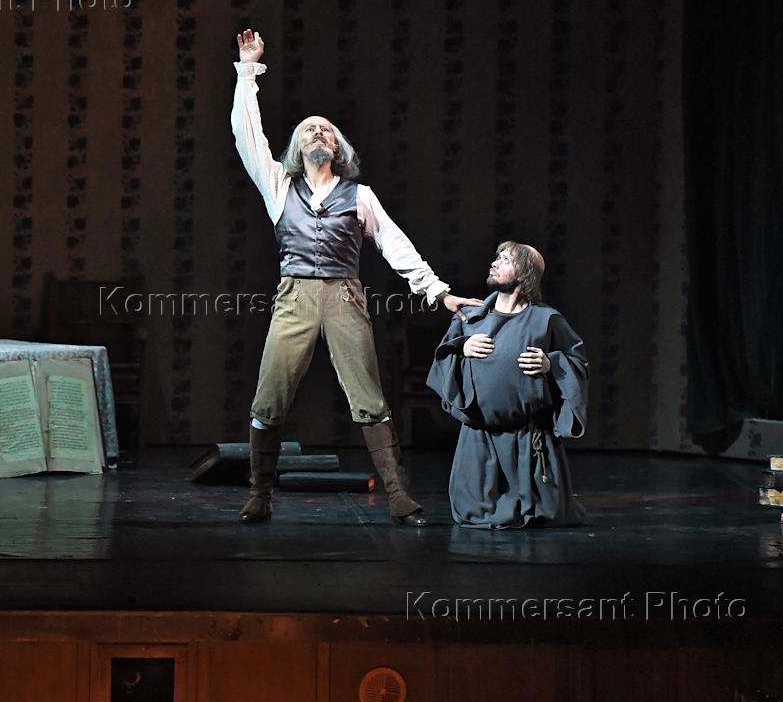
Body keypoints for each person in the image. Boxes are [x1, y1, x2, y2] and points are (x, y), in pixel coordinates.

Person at [231, 28, 475, 526]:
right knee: (269, 396)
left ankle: (398, 495)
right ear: (296, 148)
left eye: (326, 130)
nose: (318, 133)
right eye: (309, 129)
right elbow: (247, 135)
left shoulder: (359, 195)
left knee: (368, 396)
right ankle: (259, 493)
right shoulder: (279, 186)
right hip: (295, 297)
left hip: (344, 296)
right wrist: (248, 72)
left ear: (338, 147)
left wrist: (439, 292)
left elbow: (395, 244)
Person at [426, 241, 588, 528]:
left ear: (525, 274)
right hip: (480, 436)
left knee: (549, 513)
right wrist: (462, 348)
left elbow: (577, 362)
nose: (495, 263)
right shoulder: (470, 316)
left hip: (528, 436)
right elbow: (442, 361)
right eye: (497, 257)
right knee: (472, 512)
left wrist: (551, 364)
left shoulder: (545, 319)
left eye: (506, 260)